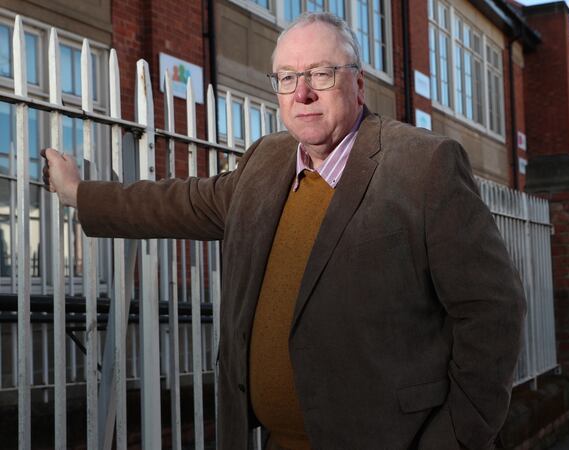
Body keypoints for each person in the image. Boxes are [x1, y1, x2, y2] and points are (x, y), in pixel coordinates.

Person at [42, 12, 525, 450]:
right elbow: (181, 202)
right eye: (288, 77)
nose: (303, 93)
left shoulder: (424, 166)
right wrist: (80, 194)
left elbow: (493, 310)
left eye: (320, 73)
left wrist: (455, 438)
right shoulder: (265, 161)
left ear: (358, 83)